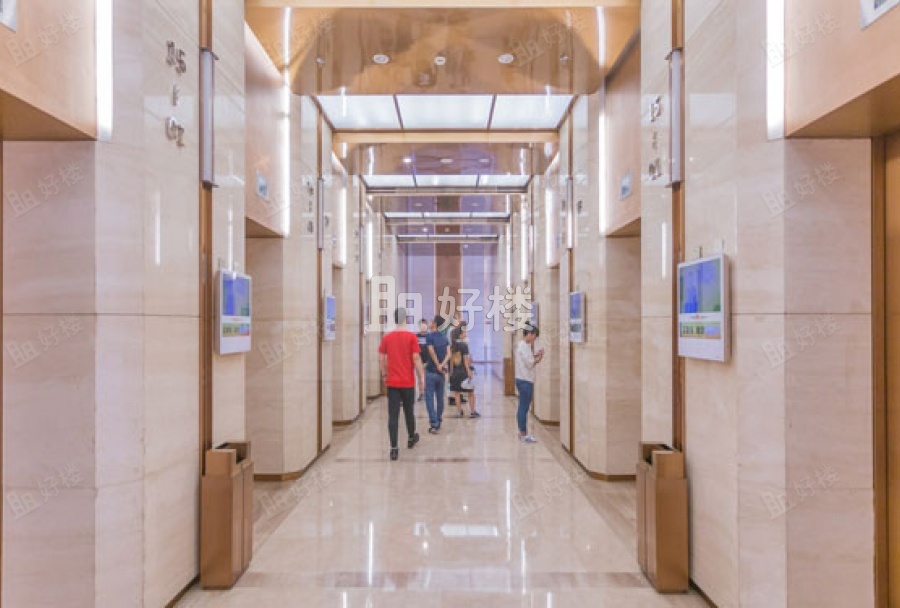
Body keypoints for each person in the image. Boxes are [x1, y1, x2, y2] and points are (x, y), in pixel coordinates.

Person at [378, 308, 425, 461]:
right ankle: (411, 437)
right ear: (406, 319)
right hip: (408, 382)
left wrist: (384, 374)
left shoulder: (387, 338)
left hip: (392, 383)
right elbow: (416, 359)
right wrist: (421, 378)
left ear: (395, 319)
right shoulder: (411, 337)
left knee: (393, 415)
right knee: (408, 411)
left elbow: (381, 358)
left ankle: (394, 448)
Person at [514, 326, 544, 443]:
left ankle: (522, 432)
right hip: (525, 380)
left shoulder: (523, 345)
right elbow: (530, 363)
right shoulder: (523, 346)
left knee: (523, 407)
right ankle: (523, 434)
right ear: (530, 334)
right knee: (524, 407)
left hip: (522, 379)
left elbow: (528, 359)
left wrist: (535, 355)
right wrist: (539, 358)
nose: (534, 339)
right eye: (534, 336)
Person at [423, 315, 451, 434]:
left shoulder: (429, 336)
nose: (430, 323)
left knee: (429, 398)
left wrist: (437, 364)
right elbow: (449, 354)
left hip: (431, 371)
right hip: (441, 373)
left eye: (432, 321)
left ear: (435, 323)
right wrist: (442, 365)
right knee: (440, 398)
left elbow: (431, 351)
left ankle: (434, 423)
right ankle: (439, 420)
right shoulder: (444, 338)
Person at [449, 326, 480, 418]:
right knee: (470, 393)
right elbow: (466, 361)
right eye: (464, 332)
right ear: (460, 335)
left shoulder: (452, 346)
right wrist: (469, 372)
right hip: (463, 373)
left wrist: (451, 373)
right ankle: (472, 412)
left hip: (455, 372)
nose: (465, 334)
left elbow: (451, 361)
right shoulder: (464, 345)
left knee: (457, 393)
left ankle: (459, 412)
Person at [416, 319, 429, 401]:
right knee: (420, 377)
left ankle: (427, 393)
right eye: (422, 324)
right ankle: (421, 393)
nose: (423, 326)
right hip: (418, 361)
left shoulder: (429, 336)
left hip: (428, 361)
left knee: (427, 378)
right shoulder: (416, 336)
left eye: (425, 324)